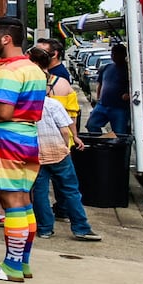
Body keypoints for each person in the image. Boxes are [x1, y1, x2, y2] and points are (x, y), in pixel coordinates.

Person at [0, 16, 47, 282]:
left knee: (11, 203)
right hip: (27, 137)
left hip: (6, 139)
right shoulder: (33, 68)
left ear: (6, 38)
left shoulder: (8, 71)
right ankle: (22, 263)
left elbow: (4, 111)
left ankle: (12, 266)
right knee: (24, 202)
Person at [28, 47, 100, 242]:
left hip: (38, 154)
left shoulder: (27, 107)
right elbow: (65, 126)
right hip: (59, 153)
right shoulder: (53, 104)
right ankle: (81, 227)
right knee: (70, 190)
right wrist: (74, 140)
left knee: (40, 192)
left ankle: (44, 228)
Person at [85, 43, 130, 136]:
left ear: (124, 55)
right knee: (91, 125)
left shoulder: (128, 69)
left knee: (119, 134)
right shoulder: (107, 67)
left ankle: (118, 150)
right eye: (113, 54)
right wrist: (98, 98)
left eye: (116, 54)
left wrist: (128, 94)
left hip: (119, 107)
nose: (114, 56)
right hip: (103, 105)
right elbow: (100, 83)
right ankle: (100, 143)